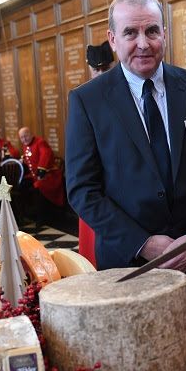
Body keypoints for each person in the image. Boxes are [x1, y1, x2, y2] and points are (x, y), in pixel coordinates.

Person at [65, 0, 186, 346]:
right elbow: (83, 190)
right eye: (130, 33)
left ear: (164, 33)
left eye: (152, 31)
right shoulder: (88, 102)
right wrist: (143, 243)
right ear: (113, 39)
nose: (143, 43)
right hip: (130, 266)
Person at [77, 41, 118, 267]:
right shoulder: (83, 99)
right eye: (96, 69)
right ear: (90, 69)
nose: (101, 74)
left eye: (105, 69)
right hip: (95, 190)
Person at [18, 126, 65, 224]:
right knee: (21, 185)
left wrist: (41, 169)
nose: (24, 139)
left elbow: (45, 155)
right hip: (35, 176)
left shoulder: (40, 142)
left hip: (49, 175)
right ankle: (25, 214)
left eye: (26, 136)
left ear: (31, 134)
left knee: (37, 187)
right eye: (21, 137)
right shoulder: (26, 145)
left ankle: (41, 217)